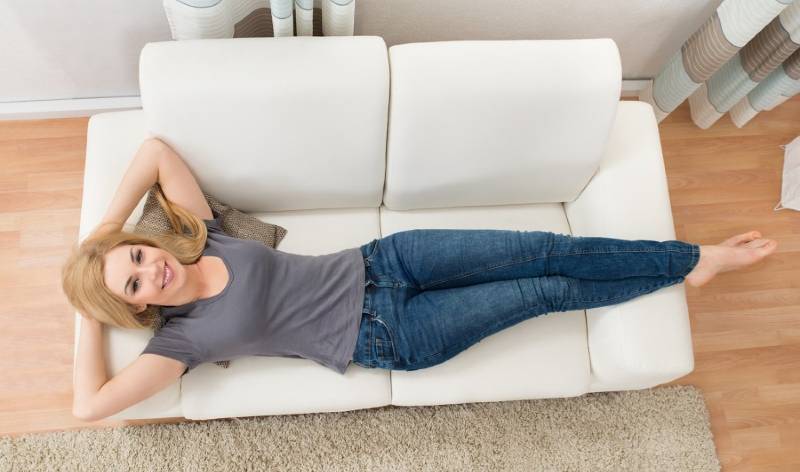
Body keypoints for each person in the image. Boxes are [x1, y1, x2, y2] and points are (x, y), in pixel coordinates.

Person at [62, 137, 778, 422]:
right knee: (548, 293)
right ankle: (693, 270)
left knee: (541, 245)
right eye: (132, 283)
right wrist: (89, 312)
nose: (147, 267)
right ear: (138, 306)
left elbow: (154, 152)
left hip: (386, 260)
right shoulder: (178, 344)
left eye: (133, 255)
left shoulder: (195, 234)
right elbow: (88, 406)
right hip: (391, 334)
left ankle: (691, 257)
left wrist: (98, 237)